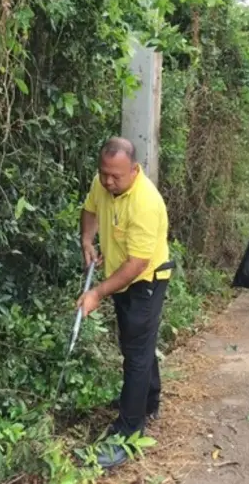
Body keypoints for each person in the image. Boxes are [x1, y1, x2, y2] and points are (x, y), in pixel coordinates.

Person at [79, 137, 171, 469]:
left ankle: (129, 431)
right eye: (104, 173)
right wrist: (87, 241)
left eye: (116, 176)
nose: (108, 181)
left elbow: (137, 265)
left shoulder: (146, 202)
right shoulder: (103, 182)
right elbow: (90, 209)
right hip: (121, 277)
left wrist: (97, 293)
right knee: (137, 343)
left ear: (134, 170)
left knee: (135, 353)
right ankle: (149, 400)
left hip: (145, 281)